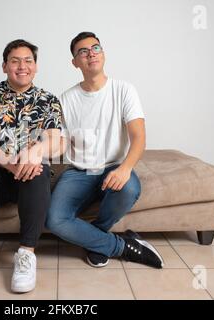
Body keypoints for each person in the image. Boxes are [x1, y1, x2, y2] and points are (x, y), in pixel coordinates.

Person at [46, 32, 164, 269]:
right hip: (79, 171)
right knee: (55, 220)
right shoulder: (66, 99)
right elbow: (59, 142)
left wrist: (125, 168)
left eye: (96, 48)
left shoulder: (124, 90)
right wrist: (36, 150)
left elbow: (139, 137)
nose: (91, 53)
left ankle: (96, 240)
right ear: (75, 62)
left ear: (103, 54)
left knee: (129, 186)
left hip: (113, 167)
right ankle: (120, 245)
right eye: (83, 51)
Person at [0, 39, 64, 293]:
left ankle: (26, 254)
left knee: (38, 171)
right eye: (15, 61)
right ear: (4, 66)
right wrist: (12, 164)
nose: (22, 66)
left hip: (29, 177)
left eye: (28, 60)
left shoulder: (48, 99)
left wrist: (35, 152)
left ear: (36, 66)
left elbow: (57, 141)